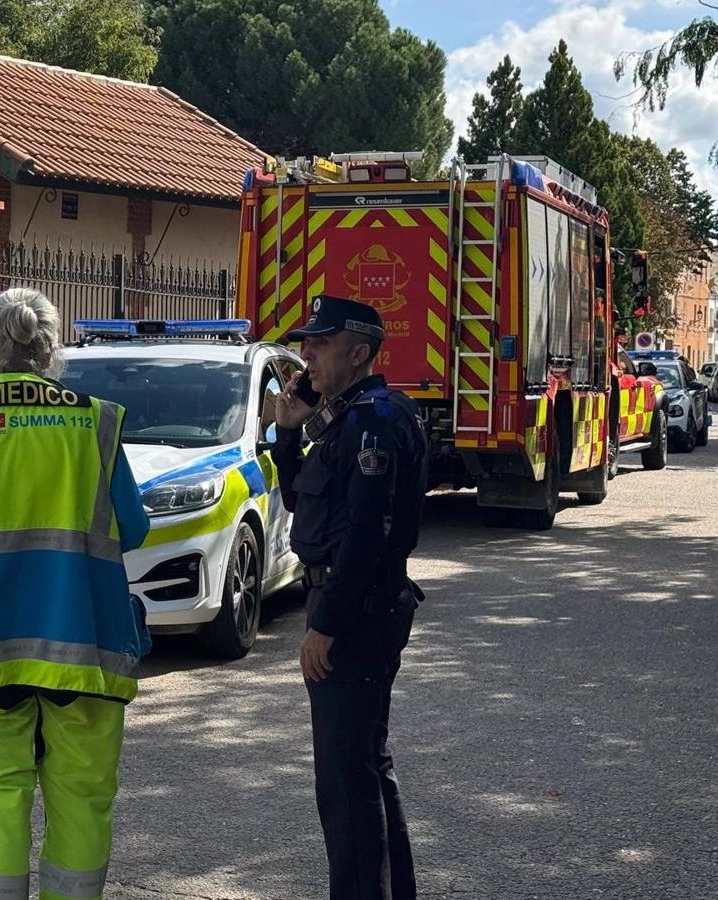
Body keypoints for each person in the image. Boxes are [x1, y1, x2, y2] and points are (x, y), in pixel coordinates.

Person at [0, 288, 150, 900]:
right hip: (82, 642)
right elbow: (135, 527)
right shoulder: (96, 420)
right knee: (83, 799)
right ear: (50, 350)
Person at [269, 295, 427, 900]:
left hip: (356, 612)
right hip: (355, 605)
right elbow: (304, 503)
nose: (305, 353)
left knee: (344, 779)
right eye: (306, 341)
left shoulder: (373, 422)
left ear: (358, 353)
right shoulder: (349, 417)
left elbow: (367, 533)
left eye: (320, 343)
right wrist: (288, 432)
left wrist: (326, 624)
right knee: (365, 767)